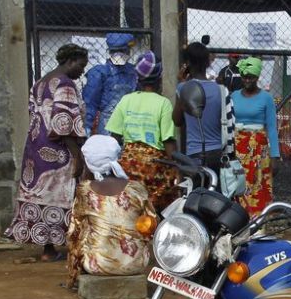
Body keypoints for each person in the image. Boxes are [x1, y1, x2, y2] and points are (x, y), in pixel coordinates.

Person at [5, 43, 89, 262]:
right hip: (59, 151)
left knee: (41, 193)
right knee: (63, 194)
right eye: (81, 65)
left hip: (35, 147)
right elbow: (64, 123)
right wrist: (77, 156)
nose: (82, 71)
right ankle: (67, 247)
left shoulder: (41, 82)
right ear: (70, 61)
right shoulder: (65, 84)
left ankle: (48, 249)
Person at [67, 135, 156, 287]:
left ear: (88, 161)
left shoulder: (84, 190)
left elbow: (73, 233)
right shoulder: (136, 188)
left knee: (80, 228)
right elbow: (151, 223)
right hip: (136, 264)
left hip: (97, 265)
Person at [105, 51, 178, 211]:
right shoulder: (163, 103)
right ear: (159, 77)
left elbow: (114, 138)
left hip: (128, 164)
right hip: (154, 167)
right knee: (166, 203)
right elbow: (168, 141)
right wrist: (177, 168)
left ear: (138, 77)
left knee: (130, 207)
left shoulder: (126, 100)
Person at [230, 57, 280, 215]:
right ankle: (238, 219)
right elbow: (229, 123)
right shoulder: (233, 96)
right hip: (238, 147)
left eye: (251, 77)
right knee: (238, 183)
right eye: (244, 77)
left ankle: (258, 221)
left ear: (257, 77)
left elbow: (271, 127)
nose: (247, 80)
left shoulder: (266, 98)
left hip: (259, 149)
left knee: (258, 184)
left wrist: (275, 155)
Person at [173, 42, 228, 170]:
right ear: (208, 63)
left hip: (194, 153)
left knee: (196, 189)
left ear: (187, 63)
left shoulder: (182, 88)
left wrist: (181, 83)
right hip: (218, 152)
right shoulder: (220, 90)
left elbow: (177, 120)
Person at [83, 32, 138, 135]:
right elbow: (90, 103)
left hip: (130, 123)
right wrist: (87, 126)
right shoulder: (100, 73)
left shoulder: (133, 71)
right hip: (108, 125)